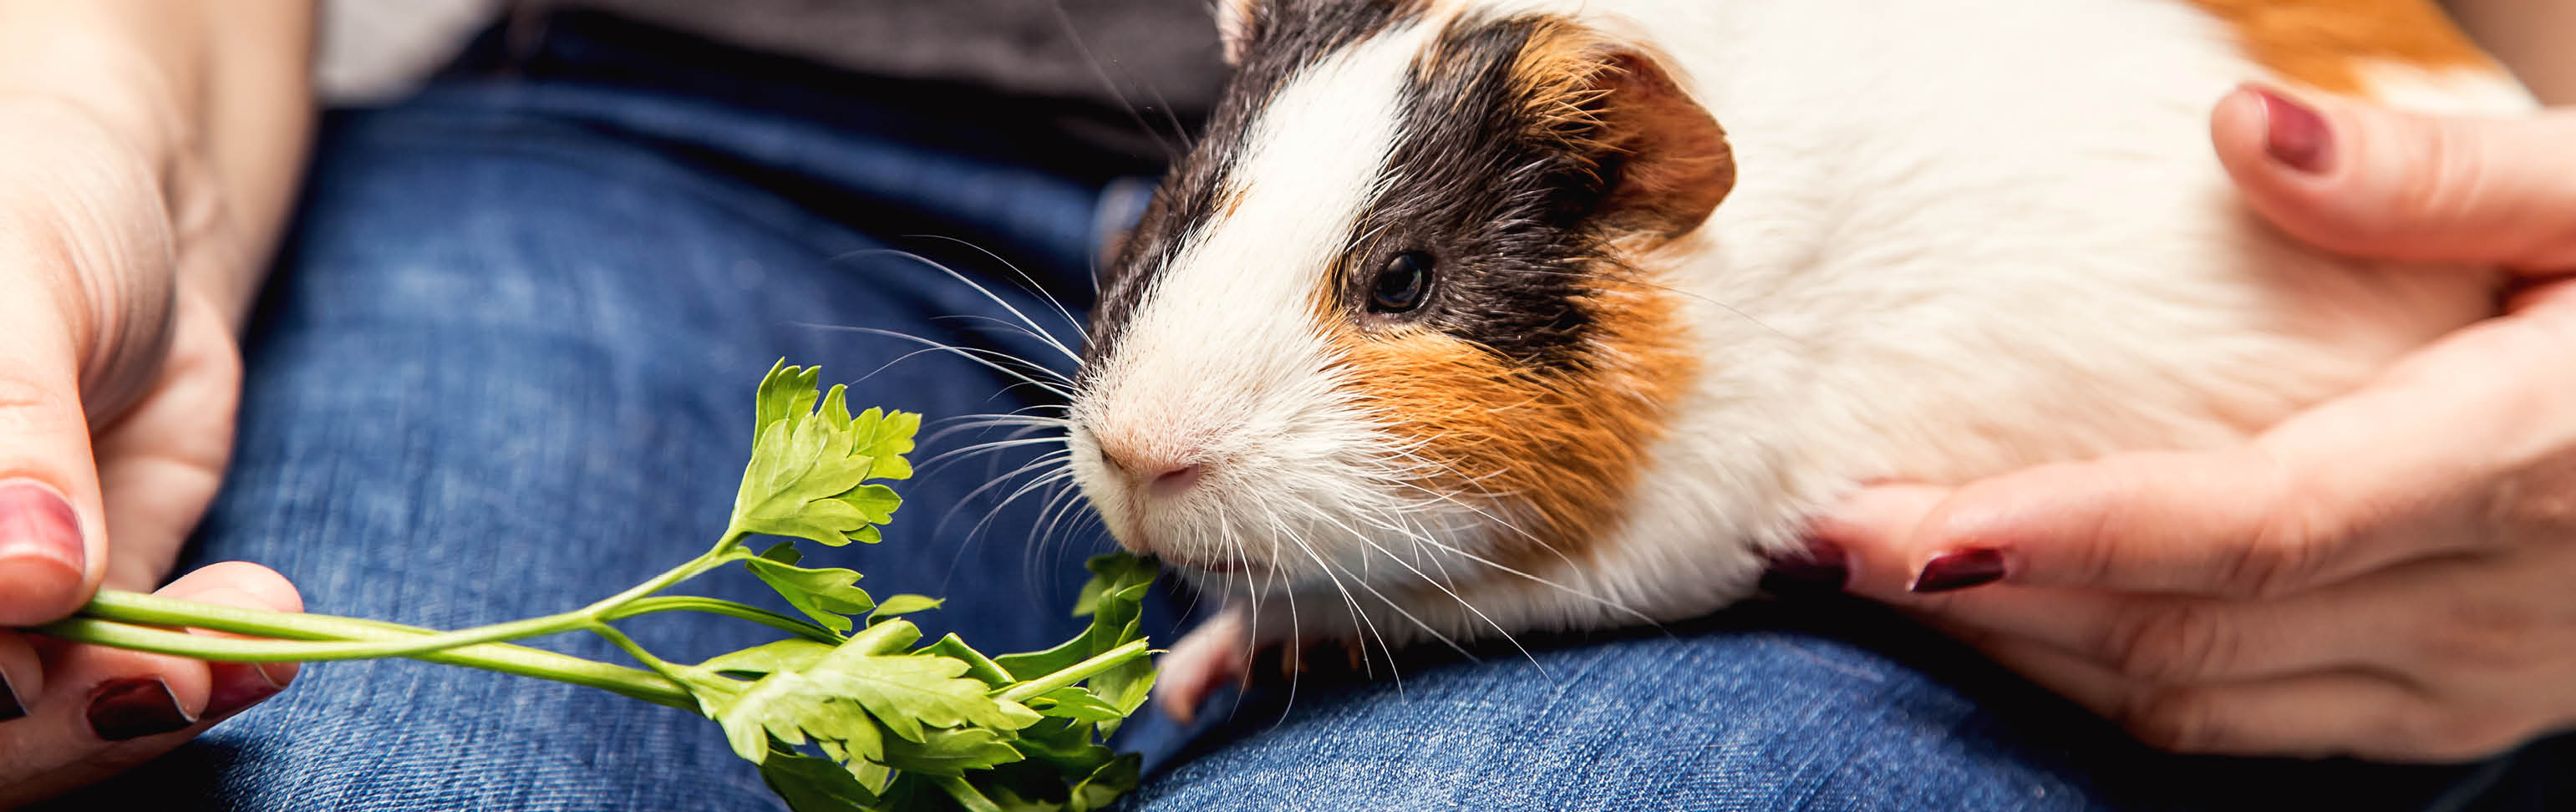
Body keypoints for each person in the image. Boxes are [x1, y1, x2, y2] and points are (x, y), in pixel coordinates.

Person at [0, 2, 2566, 809]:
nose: (1146, 425)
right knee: (372, 766)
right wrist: (79, 104)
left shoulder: (1677, 192)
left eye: (1405, 285)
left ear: (1634, 196)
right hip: (641, 132)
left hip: (2267, 431)